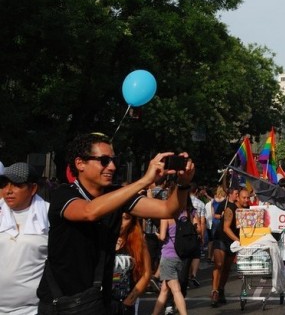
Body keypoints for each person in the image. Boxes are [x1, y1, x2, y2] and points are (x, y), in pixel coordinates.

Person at [36, 132, 195, 313]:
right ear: (80, 163)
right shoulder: (64, 194)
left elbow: (168, 210)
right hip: (61, 302)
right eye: (104, 160)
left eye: (114, 160)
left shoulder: (116, 194)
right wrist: (145, 180)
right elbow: (89, 212)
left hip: (97, 300)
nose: (111, 167)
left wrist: (183, 184)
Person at [0, 162, 50, 314]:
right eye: (4, 184)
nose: (8, 191)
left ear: (33, 188)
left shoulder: (49, 216)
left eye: (16, 185)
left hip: (32, 310)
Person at [151, 195, 200, 315]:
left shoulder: (166, 215)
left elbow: (162, 237)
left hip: (168, 255)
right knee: (164, 289)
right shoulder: (186, 214)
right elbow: (197, 228)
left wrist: (155, 234)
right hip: (181, 254)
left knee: (175, 289)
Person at [113, 212, 152, 314]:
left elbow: (146, 273)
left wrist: (129, 301)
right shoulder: (101, 240)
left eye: (126, 218)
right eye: (118, 218)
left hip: (126, 303)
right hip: (101, 303)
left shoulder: (138, 242)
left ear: (132, 221)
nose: (121, 223)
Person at [210, 186, 241, 307]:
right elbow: (222, 223)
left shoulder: (241, 207)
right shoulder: (227, 205)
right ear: (231, 195)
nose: (238, 196)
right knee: (219, 264)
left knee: (227, 267)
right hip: (222, 237)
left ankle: (221, 289)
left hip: (232, 241)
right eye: (236, 194)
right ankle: (214, 291)